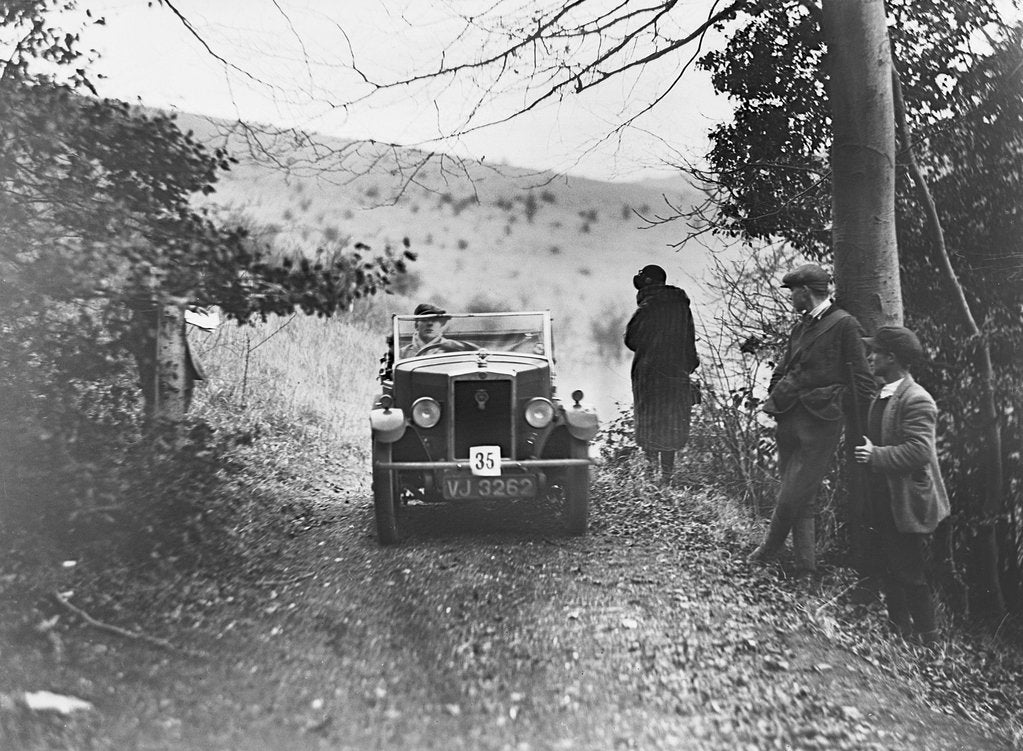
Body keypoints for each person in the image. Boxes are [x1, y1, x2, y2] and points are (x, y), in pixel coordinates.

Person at [749, 263, 874, 573]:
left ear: (805, 292)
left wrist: (843, 411)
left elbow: (863, 381)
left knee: (793, 491)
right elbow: (783, 366)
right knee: (801, 496)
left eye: (793, 291)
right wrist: (777, 390)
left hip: (821, 422)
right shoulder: (800, 326)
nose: (791, 297)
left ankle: (768, 551)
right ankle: (806, 569)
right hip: (789, 415)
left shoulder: (845, 325)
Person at [854, 326, 949, 645]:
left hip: (908, 499)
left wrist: (875, 455)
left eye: (876, 352)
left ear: (891, 358)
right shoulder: (883, 392)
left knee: (909, 570)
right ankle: (899, 629)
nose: (870, 356)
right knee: (888, 563)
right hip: (885, 495)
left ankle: (930, 640)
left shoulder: (917, 398)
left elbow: (920, 451)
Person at [624, 264, 699, 484]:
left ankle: (649, 473)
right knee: (671, 421)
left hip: (649, 374)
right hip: (676, 372)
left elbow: (631, 340)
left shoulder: (648, 307)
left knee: (649, 420)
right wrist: (688, 365)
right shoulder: (681, 306)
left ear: (647, 282)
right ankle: (667, 475)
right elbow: (690, 339)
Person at [399, 303, 477, 358]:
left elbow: (481, 352)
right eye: (424, 319)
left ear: (441, 325)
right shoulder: (403, 353)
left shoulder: (454, 349)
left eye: (434, 320)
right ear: (416, 325)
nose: (429, 323)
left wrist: (459, 346)